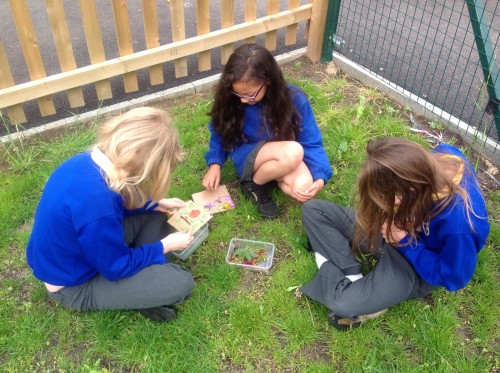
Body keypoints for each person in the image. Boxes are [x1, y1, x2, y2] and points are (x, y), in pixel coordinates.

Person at [300, 138, 490, 330]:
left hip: (414, 266)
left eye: (390, 198)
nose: (387, 203)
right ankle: (353, 277)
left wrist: (405, 241)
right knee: (314, 210)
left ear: (410, 188)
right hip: (395, 230)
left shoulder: (459, 225)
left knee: (343, 304)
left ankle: (328, 265)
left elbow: (454, 277)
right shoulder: (441, 156)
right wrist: (402, 219)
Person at [26, 107, 195, 323]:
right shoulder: (98, 203)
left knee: (157, 216)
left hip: (79, 256)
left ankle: (142, 283)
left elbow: (118, 201)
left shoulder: (86, 162)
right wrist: (165, 246)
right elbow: (116, 267)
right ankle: (141, 290)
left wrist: (153, 204)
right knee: (181, 282)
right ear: (143, 167)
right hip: (74, 285)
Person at [203, 43, 333, 219]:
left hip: (281, 155)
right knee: (294, 151)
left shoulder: (295, 99)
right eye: (238, 94)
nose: (242, 100)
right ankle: (253, 183)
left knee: (304, 187)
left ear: (268, 81)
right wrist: (215, 165)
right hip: (248, 154)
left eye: (249, 95)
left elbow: (311, 140)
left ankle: (273, 176)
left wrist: (320, 177)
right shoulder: (232, 100)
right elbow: (219, 131)